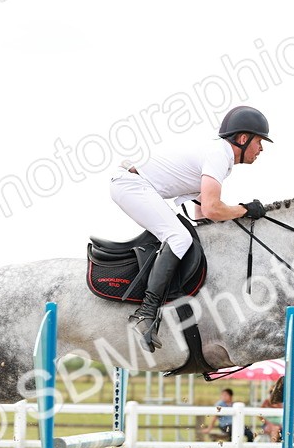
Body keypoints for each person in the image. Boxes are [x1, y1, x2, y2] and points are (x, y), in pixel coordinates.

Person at [108, 105, 272, 352]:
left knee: (187, 237)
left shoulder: (221, 159)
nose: (261, 149)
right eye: (259, 142)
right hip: (130, 185)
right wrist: (245, 209)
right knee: (179, 238)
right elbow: (212, 208)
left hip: (137, 185)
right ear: (242, 138)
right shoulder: (219, 155)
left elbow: (202, 214)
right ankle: (145, 314)